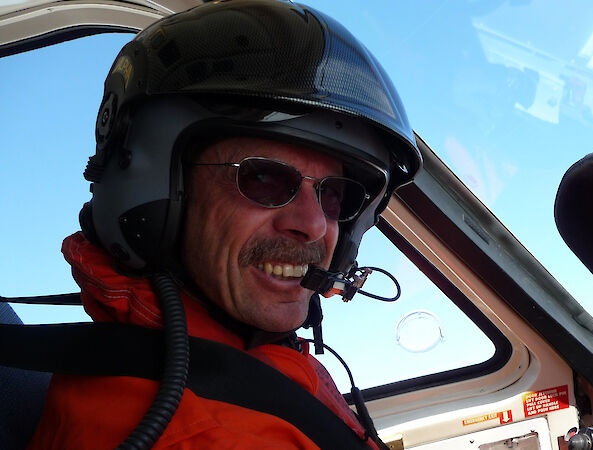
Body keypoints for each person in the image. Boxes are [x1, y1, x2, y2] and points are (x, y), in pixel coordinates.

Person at [28, 0, 422, 448]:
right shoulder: (200, 434)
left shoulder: (244, 362)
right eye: (264, 178)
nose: (313, 224)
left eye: (335, 194)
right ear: (156, 194)